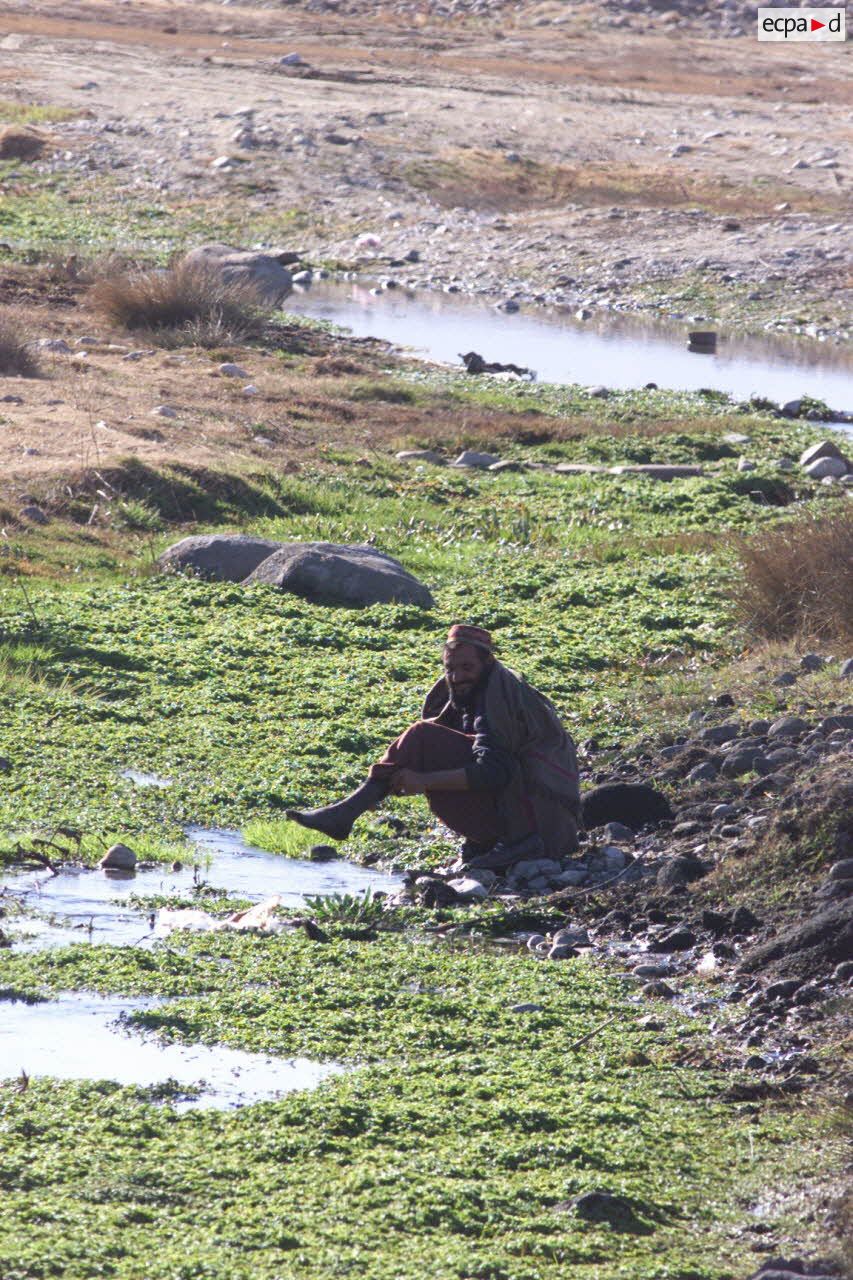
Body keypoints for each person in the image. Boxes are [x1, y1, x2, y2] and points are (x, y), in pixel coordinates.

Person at [286, 624, 581, 865]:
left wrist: (424, 779)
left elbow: (495, 770)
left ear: (487, 663)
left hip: (544, 824)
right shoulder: (470, 693)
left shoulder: (499, 696)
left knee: (423, 737)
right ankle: (346, 813)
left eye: (467, 667)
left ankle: (347, 813)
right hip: (529, 812)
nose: (457, 676)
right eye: (450, 668)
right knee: (425, 737)